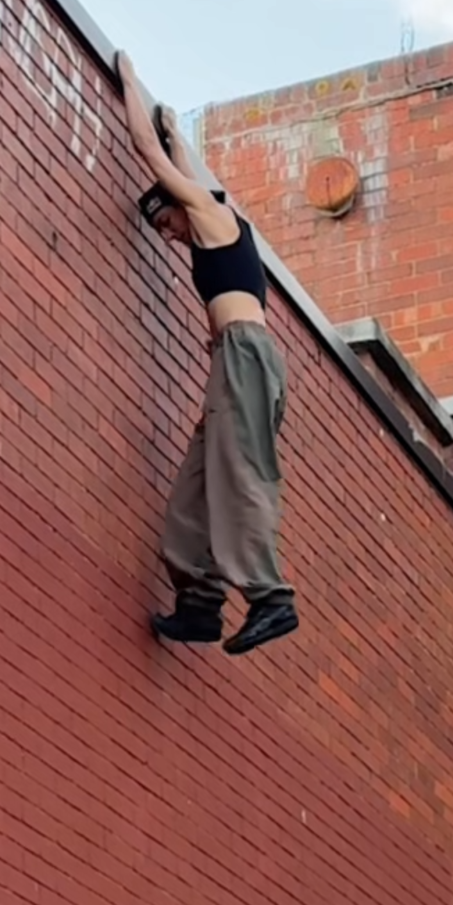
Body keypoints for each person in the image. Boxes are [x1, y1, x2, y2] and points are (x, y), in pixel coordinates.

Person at [116, 52, 299, 656]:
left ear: (178, 203)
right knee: (195, 485)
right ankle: (198, 603)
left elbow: (150, 152)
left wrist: (130, 81)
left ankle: (271, 599)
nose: (166, 233)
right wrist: (175, 129)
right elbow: (181, 156)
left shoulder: (211, 215)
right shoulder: (224, 219)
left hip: (246, 357)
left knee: (237, 472)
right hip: (235, 360)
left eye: (162, 221)